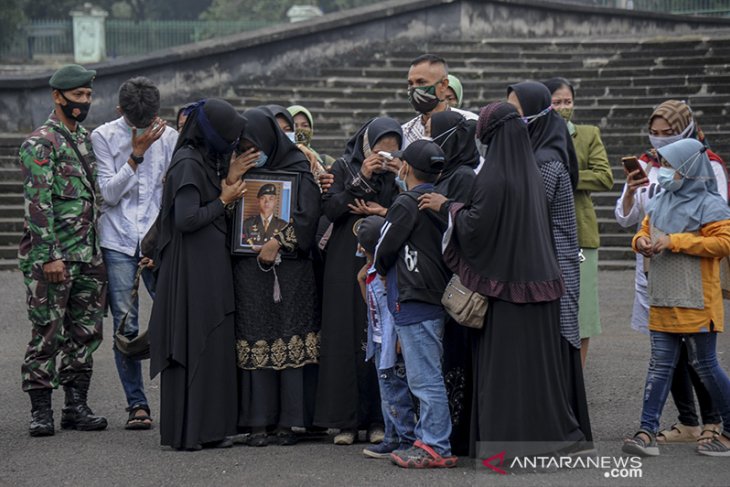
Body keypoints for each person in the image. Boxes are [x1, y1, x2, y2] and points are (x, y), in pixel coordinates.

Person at [420, 102, 586, 460]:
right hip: (540, 288)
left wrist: (446, 206)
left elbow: (477, 227)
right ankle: (547, 440)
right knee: (536, 374)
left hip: (507, 294)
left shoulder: (493, 175)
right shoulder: (530, 170)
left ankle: (507, 448)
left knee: (505, 374)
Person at [615, 99, 725, 445]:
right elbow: (636, 226)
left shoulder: (709, 190)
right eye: (656, 136)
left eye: (670, 162)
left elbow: (721, 239)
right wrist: (641, 242)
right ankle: (647, 431)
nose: (662, 165)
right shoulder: (660, 194)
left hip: (696, 292)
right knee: (662, 363)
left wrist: (675, 241)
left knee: (703, 364)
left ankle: (714, 422)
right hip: (660, 288)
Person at [149, 98, 247, 450]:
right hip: (192, 270)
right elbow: (186, 220)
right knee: (197, 342)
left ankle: (208, 428)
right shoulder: (188, 163)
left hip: (205, 264)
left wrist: (228, 185)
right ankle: (193, 430)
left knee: (212, 342)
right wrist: (224, 200)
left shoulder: (202, 160)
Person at [19, 64, 108, 437]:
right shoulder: (41, 142)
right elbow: (38, 205)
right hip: (54, 257)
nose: (84, 102)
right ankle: (41, 411)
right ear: (58, 97)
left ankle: (76, 406)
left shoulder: (85, 138)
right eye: (78, 96)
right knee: (47, 333)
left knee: (85, 332)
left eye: (88, 96)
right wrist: (49, 255)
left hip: (88, 255)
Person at [228, 107, 322, 447]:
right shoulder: (239, 170)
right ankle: (257, 421)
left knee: (289, 334)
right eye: (245, 145)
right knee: (254, 336)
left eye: (256, 144)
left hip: (292, 274)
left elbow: (308, 217)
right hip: (249, 273)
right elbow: (225, 213)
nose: (253, 152)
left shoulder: (299, 168)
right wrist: (231, 178)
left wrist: (278, 241)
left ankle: (289, 421)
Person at [507, 81, 593, 443]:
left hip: (554, 267)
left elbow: (528, 210)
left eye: (516, 111)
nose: (513, 118)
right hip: (548, 266)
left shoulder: (545, 161)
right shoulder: (539, 152)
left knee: (557, 347)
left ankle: (562, 429)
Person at [92, 76, 178, 430]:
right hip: (118, 240)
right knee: (126, 328)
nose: (144, 128)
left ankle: (178, 398)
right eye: (134, 123)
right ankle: (137, 404)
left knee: (175, 314)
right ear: (119, 112)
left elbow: (170, 193)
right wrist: (136, 155)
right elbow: (108, 195)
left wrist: (156, 243)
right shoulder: (103, 136)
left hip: (158, 241)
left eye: (149, 121)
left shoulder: (170, 138)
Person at [315, 117, 403, 445]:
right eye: (380, 151)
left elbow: (407, 211)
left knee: (377, 337)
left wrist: (384, 210)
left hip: (381, 262)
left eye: (393, 153)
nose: (385, 158)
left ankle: (378, 419)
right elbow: (334, 209)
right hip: (342, 263)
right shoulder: (342, 167)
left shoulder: (398, 177)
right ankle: (346, 422)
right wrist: (362, 176)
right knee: (343, 337)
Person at [373, 139, 455, 468]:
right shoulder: (441, 200)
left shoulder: (407, 202)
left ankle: (436, 445)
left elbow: (384, 247)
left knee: (424, 378)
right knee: (427, 374)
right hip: (436, 295)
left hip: (415, 298)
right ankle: (427, 438)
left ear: (405, 167)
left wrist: (378, 268)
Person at [544, 77, 614, 367]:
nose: (563, 107)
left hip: (580, 233)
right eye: (557, 102)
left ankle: (577, 376)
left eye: (567, 101)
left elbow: (605, 176)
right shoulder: (536, 136)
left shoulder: (586, 134)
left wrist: (568, 176)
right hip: (544, 232)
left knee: (581, 311)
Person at [423, 109, 479, 455]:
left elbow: (467, 224)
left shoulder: (463, 177)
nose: (430, 141)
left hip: (455, 279)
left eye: (434, 133)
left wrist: (441, 208)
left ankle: (456, 436)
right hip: (438, 276)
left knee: (456, 358)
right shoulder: (447, 172)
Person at [356, 215, 417, 459]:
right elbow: (371, 305)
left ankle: (405, 439)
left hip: (392, 341)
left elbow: (395, 306)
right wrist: (361, 279)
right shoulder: (371, 271)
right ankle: (391, 437)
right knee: (387, 392)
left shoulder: (388, 273)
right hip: (380, 340)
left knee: (397, 392)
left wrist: (400, 338)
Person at [401, 54, 477, 147]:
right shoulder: (405, 133)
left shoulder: (470, 124)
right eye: (411, 83)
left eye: (421, 82)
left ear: (444, 85)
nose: (414, 89)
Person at [287, 104, 337, 169]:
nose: (300, 129)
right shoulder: (278, 160)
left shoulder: (325, 161)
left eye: (305, 125)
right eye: (294, 126)